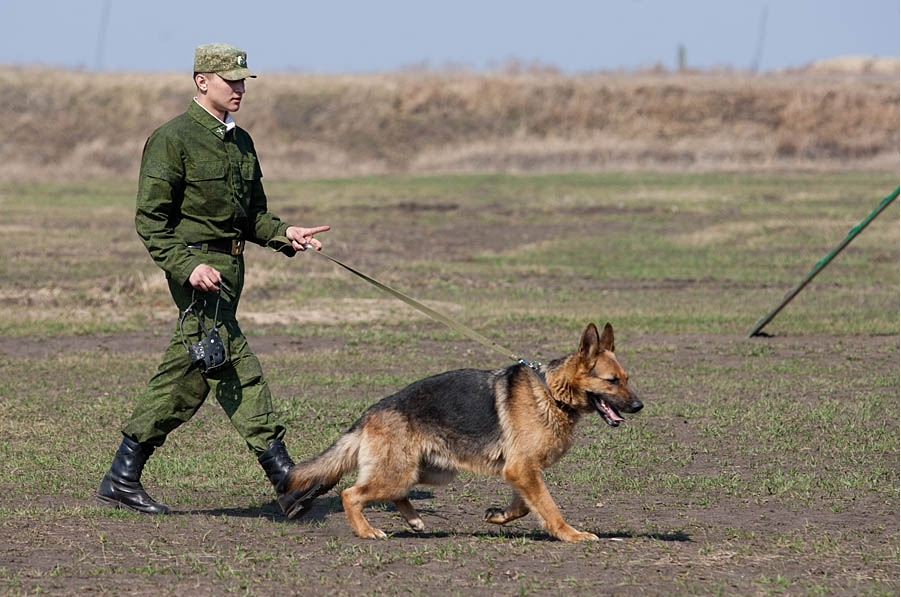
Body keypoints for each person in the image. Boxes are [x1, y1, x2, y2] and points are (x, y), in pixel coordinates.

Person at [97, 43, 329, 519]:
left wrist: (286, 233)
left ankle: (121, 476)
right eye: (231, 80)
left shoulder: (241, 141)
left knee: (190, 372)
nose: (240, 88)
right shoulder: (172, 138)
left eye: (244, 80)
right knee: (232, 361)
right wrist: (187, 267)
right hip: (199, 275)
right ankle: (285, 477)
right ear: (202, 80)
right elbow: (151, 221)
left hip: (231, 271)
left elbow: (253, 216)